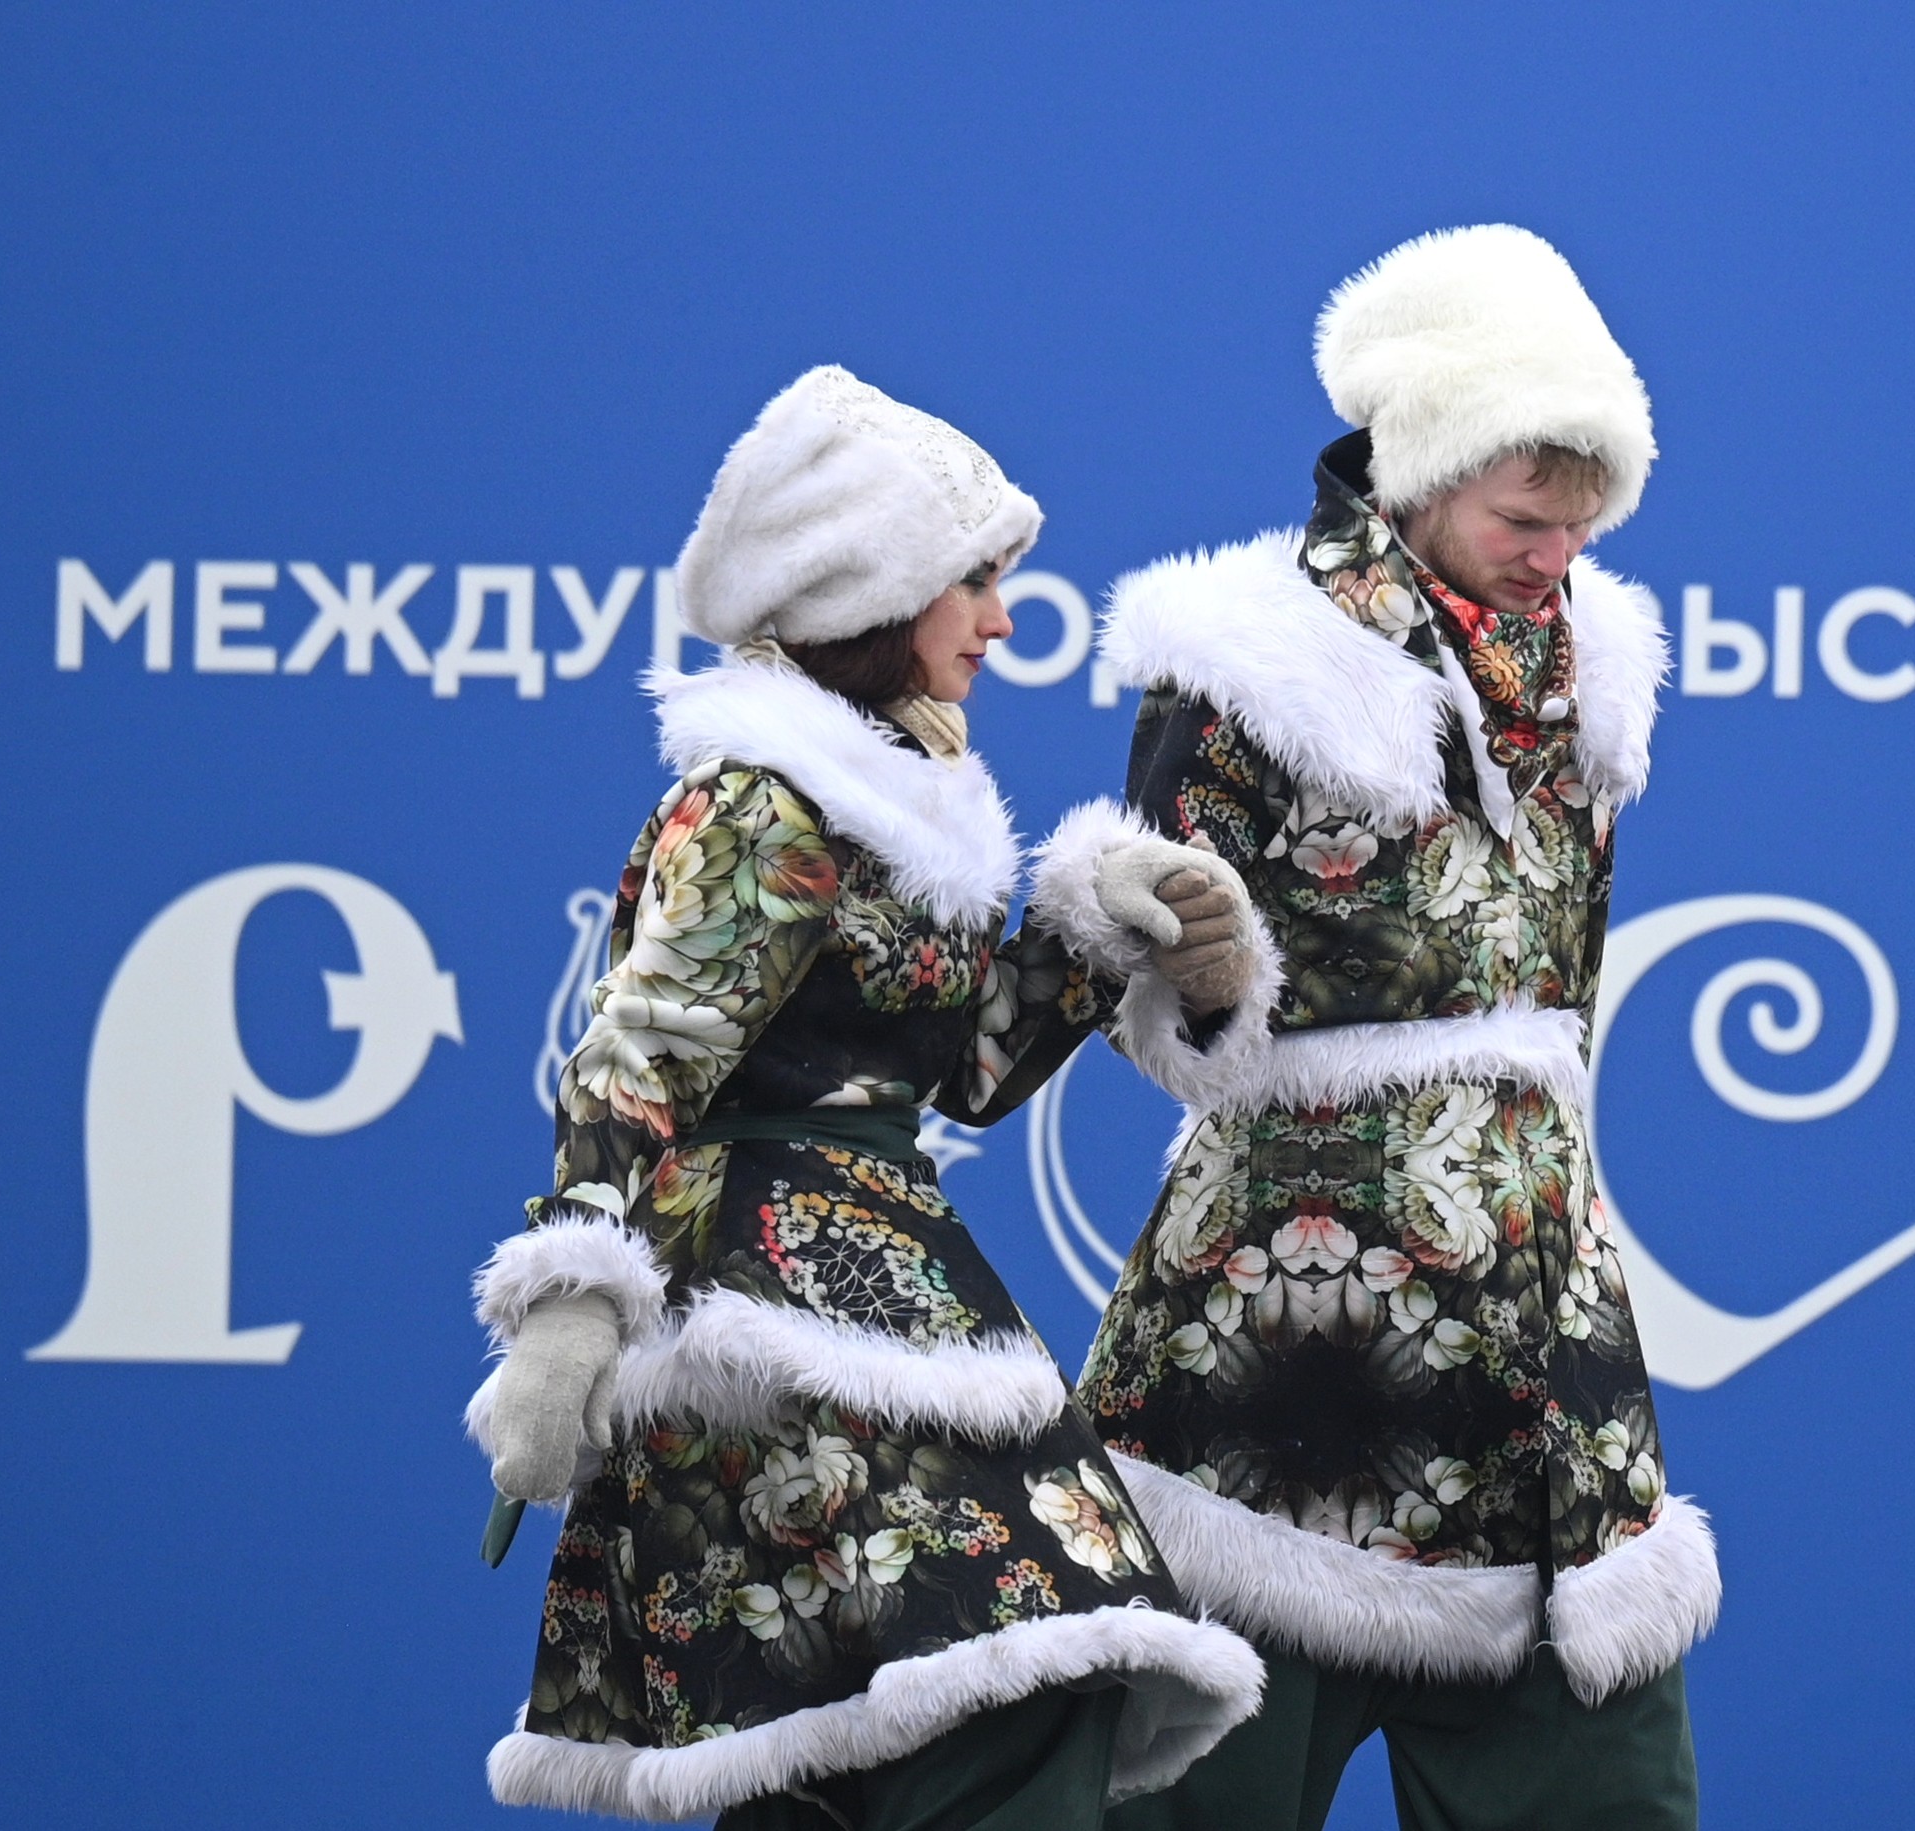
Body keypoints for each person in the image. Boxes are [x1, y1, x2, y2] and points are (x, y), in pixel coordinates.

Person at [468, 366, 1267, 1830]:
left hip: (884, 1275)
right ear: (875, 593)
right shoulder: (767, 798)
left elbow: (958, 1076)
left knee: (860, 1745)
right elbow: (639, 1052)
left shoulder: (906, 788)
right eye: (977, 580)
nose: (1004, 619)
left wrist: (1102, 924)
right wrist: (571, 1303)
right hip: (760, 1314)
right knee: (996, 1684)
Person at [1022, 225, 1711, 1831]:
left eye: (1582, 521)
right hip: (1285, 1334)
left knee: (1607, 1798)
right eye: (1522, 519)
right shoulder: (1249, 657)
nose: (1554, 554)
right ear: (1419, 479)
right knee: (1189, 1799)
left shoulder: (1600, 660)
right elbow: (1150, 992)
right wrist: (1182, 958)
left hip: (1540, 1326)